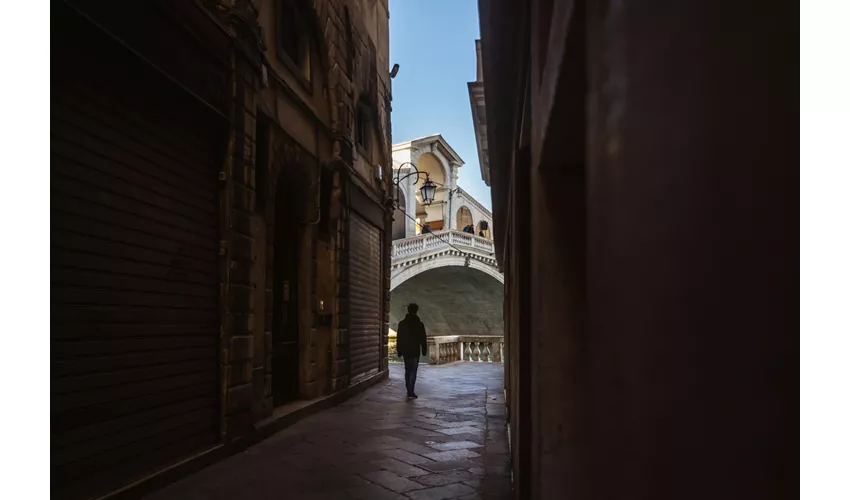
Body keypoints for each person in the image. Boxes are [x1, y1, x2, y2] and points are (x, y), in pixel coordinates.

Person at [396, 303, 428, 398]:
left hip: (406, 350)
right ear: (416, 311)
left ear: (408, 310)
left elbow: (399, 338)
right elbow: (423, 338)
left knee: (407, 369)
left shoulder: (402, 323)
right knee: (413, 371)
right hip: (415, 350)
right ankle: (411, 391)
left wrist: (399, 350)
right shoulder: (419, 324)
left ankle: (408, 389)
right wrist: (424, 350)